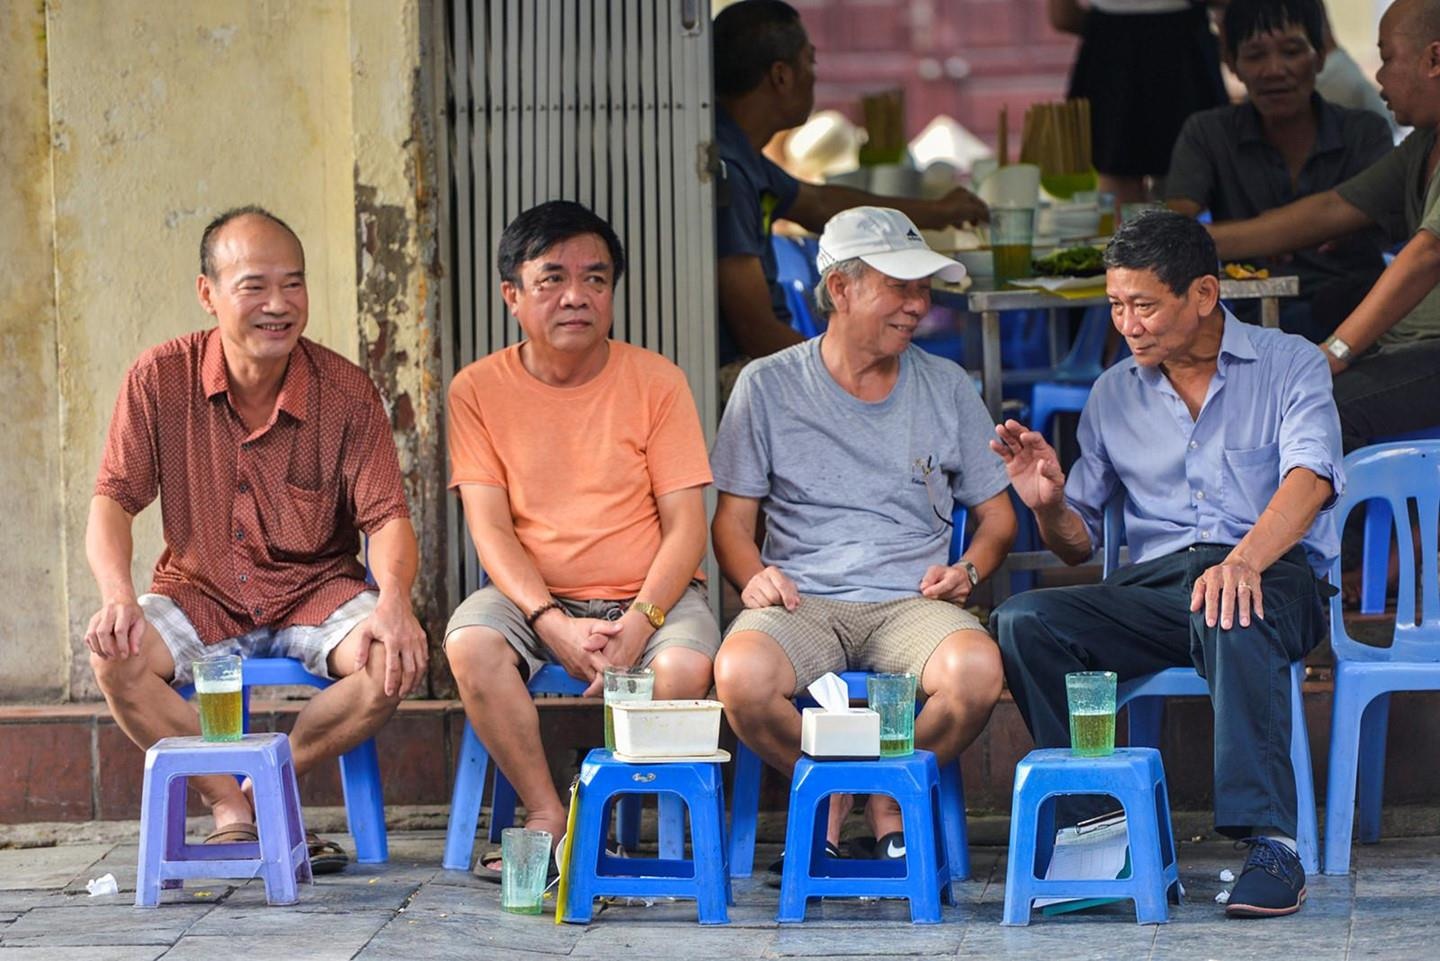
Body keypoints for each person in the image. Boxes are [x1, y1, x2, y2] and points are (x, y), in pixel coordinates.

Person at [990, 210, 1342, 918]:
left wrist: (1243, 562)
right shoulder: (1114, 392)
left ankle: (1272, 845)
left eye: (1144, 305)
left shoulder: (1288, 363)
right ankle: (1096, 834)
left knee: (1232, 606)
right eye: (1117, 306)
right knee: (1024, 619)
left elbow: (1311, 479)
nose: (1128, 324)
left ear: (1205, 295)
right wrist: (1049, 503)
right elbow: (1078, 542)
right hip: (1158, 588)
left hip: (1275, 573)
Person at [84, 206, 427, 874]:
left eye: (293, 284)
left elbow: (387, 516)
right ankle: (231, 807)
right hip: (198, 590)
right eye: (255, 286)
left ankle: (274, 781)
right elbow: (112, 500)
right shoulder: (159, 380)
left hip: (316, 592)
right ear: (207, 292)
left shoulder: (348, 392)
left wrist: (395, 600)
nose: (279, 304)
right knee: (113, 656)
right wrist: (117, 595)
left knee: (393, 654)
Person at [710, 206, 1017, 874]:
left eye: (923, 288)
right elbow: (731, 525)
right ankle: (853, 785)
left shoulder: (945, 385)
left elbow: (998, 517)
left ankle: (875, 791)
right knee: (740, 676)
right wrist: (752, 575)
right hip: (801, 603)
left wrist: (968, 567)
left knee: (977, 672)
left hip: (913, 601)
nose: (918, 305)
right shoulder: (768, 385)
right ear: (840, 289)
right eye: (899, 286)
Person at [443, 200, 719, 879]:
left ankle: (602, 813)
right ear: (512, 294)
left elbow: (687, 526)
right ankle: (545, 812)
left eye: (596, 279)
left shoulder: (657, 381)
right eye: (553, 279)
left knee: (682, 671)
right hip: (533, 598)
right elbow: (490, 529)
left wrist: (641, 619)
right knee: (472, 644)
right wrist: (549, 620)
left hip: (651, 595)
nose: (577, 295)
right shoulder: (476, 389)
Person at [1209, 0, 1440, 452]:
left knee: (1319, 408)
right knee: (1277, 391)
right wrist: (1191, 240)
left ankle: (1377, 525)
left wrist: (1335, 351)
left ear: (1434, 59)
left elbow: (1427, 254)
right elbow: (1329, 210)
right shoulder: (1424, 145)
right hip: (1410, 349)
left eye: (1388, 57)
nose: (1379, 76)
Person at [712, 0, 989, 375]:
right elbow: (755, 330)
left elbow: (819, 203)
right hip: (741, 373)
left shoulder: (742, 155)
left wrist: (940, 211)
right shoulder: (727, 170)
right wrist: (840, 379)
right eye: (810, 62)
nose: (814, 74)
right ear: (781, 76)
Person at [1165, 0, 1392, 342]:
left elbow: (1389, 222)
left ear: (1319, 57)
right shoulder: (1207, 134)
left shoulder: (1364, 133)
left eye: (1291, 51)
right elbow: (1172, 230)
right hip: (1248, 316)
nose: (1274, 70)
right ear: (1232, 63)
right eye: (1255, 56)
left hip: (1352, 316)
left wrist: (1236, 238)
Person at [1048, 0, 1229, 204]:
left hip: (1111, 44)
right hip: (1178, 41)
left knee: (1119, 174)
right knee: (1190, 176)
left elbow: (1062, 17)